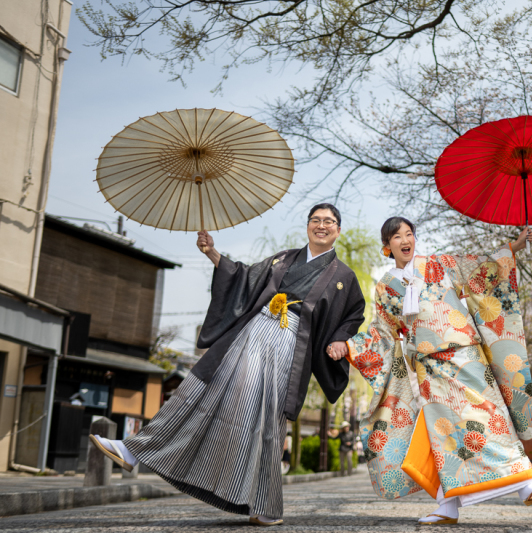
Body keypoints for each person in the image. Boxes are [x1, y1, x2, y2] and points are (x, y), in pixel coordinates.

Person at [89, 203, 366, 527]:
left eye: (329, 221)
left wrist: (339, 340)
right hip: (253, 328)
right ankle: (135, 450)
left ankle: (264, 504)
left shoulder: (344, 277)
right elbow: (244, 278)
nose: (321, 225)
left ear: (338, 230)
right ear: (307, 226)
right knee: (205, 387)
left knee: (267, 414)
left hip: (290, 340)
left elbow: (353, 315)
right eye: (315, 220)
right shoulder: (283, 258)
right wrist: (211, 252)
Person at [328, 217, 532, 526]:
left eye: (409, 233)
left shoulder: (438, 263)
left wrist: (513, 246)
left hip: (465, 351)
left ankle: (524, 485)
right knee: (442, 433)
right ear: (387, 247)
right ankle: (447, 505)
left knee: (491, 415)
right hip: (428, 367)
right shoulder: (386, 287)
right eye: (397, 236)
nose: (405, 239)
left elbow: (479, 272)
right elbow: (381, 333)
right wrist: (348, 346)